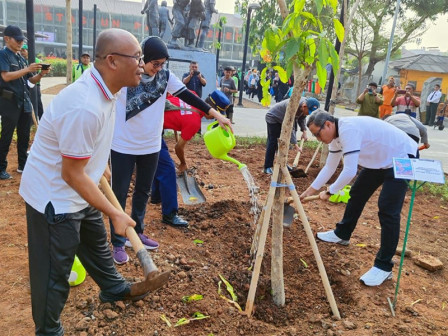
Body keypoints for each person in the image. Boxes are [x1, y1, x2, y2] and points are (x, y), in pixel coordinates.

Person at [19, 28, 149, 336]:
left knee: (95, 242)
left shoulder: (107, 89)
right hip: (54, 198)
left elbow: (89, 148)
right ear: (114, 61)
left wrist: (99, 164)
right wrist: (115, 213)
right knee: (55, 272)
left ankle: (113, 287)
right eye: (138, 58)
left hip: (80, 183)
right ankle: (48, 330)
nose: (142, 65)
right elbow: (70, 174)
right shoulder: (84, 105)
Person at [110, 36, 231, 265]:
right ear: (142, 59)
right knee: (119, 193)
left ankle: (136, 232)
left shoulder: (165, 77)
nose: (158, 69)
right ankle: (117, 241)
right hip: (123, 145)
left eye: (162, 64)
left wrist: (215, 115)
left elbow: (188, 96)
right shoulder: (127, 75)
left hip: (151, 145)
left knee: (143, 192)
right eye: (154, 63)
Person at [300, 110, 418, 287]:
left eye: (318, 133)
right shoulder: (335, 138)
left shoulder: (349, 129)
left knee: (388, 209)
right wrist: (309, 191)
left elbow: (349, 171)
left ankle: (384, 266)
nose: (318, 138)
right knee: (357, 193)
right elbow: (330, 167)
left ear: (328, 125)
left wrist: (330, 191)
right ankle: (342, 234)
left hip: (403, 157)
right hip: (380, 160)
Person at [151, 90, 230, 227]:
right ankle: (170, 214)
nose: (213, 118)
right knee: (168, 169)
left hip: (153, 124)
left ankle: (156, 197)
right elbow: (178, 148)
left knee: (159, 162)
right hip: (150, 130)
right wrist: (183, 163)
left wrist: (175, 120)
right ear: (212, 110)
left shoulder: (192, 94)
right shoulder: (194, 123)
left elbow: (169, 96)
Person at [0, 25, 50, 180]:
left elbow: (29, 82)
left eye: (22, 40)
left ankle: (23, 164)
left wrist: (40, 74)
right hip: (9, 102)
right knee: (7, 136)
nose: (21, 43)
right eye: (18, 40)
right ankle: (1, 167)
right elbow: (6, 76)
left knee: (24, 135)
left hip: (24, 102)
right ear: (7, 39)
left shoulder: (20, 58)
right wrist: (27, 69)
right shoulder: (3, 55)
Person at [263, 97, 320, 174]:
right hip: (274, 118)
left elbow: (302, 118)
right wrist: (296, 144)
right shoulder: (293, 106)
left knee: (285, 142)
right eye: (308, 111)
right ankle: (267, 167)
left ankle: (283, 164)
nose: (308, 114)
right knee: (273, 142)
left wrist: (304, 131)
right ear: (304, 106)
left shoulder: (305, 106)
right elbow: (291, 127)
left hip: (283, 120)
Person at [20, 44, 45, 120]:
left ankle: (41, 119)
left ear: (28, 51)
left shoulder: (36, 60)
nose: (22, 52)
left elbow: (38, 73)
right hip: (25, 85)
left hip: (35, 85)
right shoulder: (21, 60)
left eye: (24, 50)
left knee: (38, 103)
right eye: (21, 51)